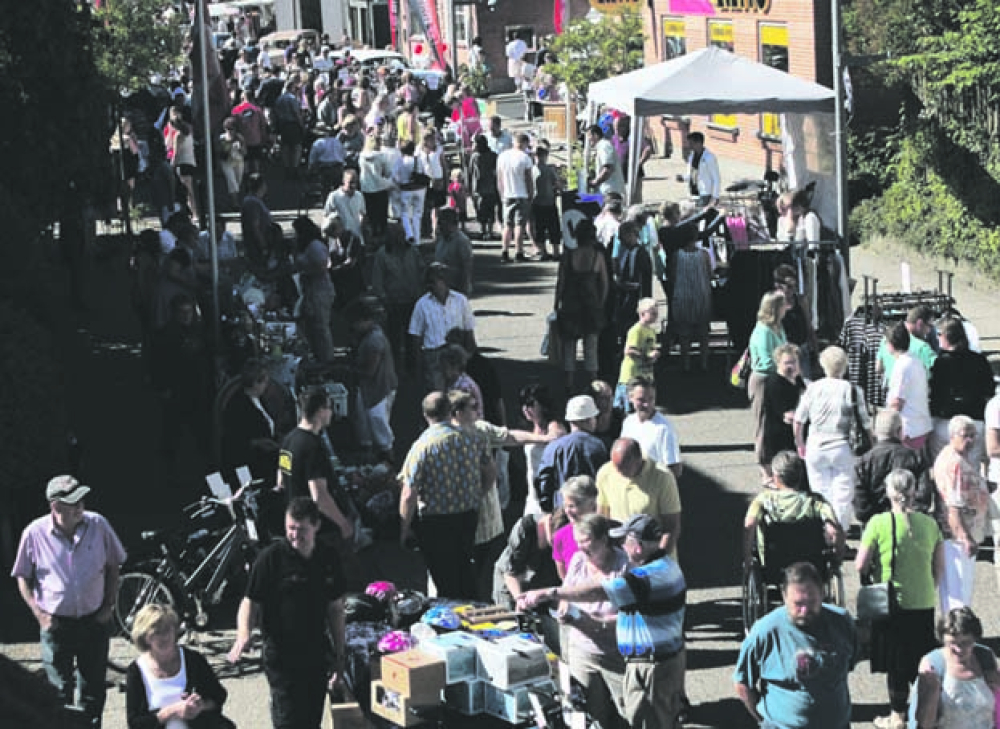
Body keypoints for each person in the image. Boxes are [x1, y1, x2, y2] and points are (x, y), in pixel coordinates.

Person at [519, 514, 688, 729]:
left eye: (625, 541)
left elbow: (600, 592)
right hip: (662, 661)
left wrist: (550, 593)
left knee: (646, 722)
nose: (622, 546)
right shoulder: (668, 567)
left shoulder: (645, 578)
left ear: (638, 547)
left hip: (650, 666)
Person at [11, 476, 126, 729]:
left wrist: (108, 607)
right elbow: (22, 576)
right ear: (55, 507)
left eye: (81, 500)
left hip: (93, 621)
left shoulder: (98, 525)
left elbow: (114, 565)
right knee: (57, 693)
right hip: (56, 625)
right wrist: (40, 615)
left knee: (92, 692)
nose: (80, 507)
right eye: (72, 503)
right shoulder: (34, 533)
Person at [229, 498, 347, 729]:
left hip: (315, 652)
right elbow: (250, 601)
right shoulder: (270, 558)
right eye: (290, 528)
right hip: (282, 657)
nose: (295, 535)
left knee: (311, 718)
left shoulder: (328, 557)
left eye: (301, 529)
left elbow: (335, 610)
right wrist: (243, 634)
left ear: (316, 526)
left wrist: (340, 653)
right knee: (288, 719)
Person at [855, 469, 943, 729]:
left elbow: (860, 563)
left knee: (896, 662)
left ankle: (897, 717)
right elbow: (939, 568)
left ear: (888, 492)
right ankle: (924, 714)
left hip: (891, 602)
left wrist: (870, 576)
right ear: (914, 491)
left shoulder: (878, 523)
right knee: (921, 659)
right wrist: (929, 587)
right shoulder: (930, 524)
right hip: (923, 601)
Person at [734, 561, 859, 729]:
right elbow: (742, 684)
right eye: (798, 604)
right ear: (784, 596)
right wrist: (763, 719)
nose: (805, 610)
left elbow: (850, 663)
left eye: (811, 601)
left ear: (822, 593)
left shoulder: (841, 622)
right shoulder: (765, 631)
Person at [398, 392, 493, 599]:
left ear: (425, 415)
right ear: (450, 412)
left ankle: (452, 619)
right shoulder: (472, 438)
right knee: (466, 570)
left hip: (436, 522)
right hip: (467, 515)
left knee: (444, 578)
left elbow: (408, 493)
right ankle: (473, 613)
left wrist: (404, 528)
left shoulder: (422, 446)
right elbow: (490, 473)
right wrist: (477, 496)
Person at [559, 514, 630, 729]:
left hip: (615, 653)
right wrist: (564, 608)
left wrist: (598, 623)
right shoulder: (578, 560)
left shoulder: (624, 566)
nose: (581, 548)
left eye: (586, 542)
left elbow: (632, 615)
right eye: (578, 542)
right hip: (582, 650)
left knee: (627, 713)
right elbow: (567, 593)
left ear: (603, 539)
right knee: (590, 715)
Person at [792, 345, 870, 532]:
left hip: (816, 445)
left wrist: (799, 442)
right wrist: (871, 443)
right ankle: (839, 533)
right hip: (842, 445)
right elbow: (865, 423)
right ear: (845, 365)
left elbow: (798, 420)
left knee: (820, 491)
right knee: (843, 494)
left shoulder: (813, 388)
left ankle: (824, 531)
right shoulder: (852, 390)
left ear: (822, 364)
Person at [126, 605, 230, 729]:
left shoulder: (193, 660)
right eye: (157, 632)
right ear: (145, 637)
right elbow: (135, 723)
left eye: (167, 630)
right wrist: (171, 711)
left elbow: (218, 696)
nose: (164, 637)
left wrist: (200, 705)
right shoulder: (136, 671)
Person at [277, 386, 355, 543]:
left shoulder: (288, 441)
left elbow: (281, 482)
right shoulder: (313, 447)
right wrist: (343, 523)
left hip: (296, 522)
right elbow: (319, 496)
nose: (331, 413)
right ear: (320, 411)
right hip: (320, 529)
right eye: (329, 408)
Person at [743, 451, 844, 571]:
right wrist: (837, 558)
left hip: (774, 566)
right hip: (812, 566)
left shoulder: (764, 500)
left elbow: (749, 526)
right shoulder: (815, 501)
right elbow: (835, 530)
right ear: (801, 475)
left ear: (776, 477)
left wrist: (747, 558)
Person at [933, 415, 991, 611]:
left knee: (957, 592)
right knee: (958, 594)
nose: (970, 441)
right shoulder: (954, 463)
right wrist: (965, 538)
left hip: (961, 534)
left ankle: (957, 630)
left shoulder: (955, 456)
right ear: (952, 435)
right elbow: (953, 506)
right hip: (957, 538)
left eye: (973, 436)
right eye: (965, 435)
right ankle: (958, 633)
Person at [910, 607, 1000, 729]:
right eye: (952, 643)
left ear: (975, 638)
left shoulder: (986, 658)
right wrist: (932, 693)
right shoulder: (933, 664)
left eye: (965, 642)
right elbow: (924, 724)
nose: (958, 649)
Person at [596, 437, 681, 556]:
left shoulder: (662, 477)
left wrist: (658, 560)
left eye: (624, 467)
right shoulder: (606, 473)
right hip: (622, 558)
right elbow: (602, 516)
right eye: (615, 466)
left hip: (653, 556)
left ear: (638, 460)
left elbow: (671, 526)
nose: (618, 472)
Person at [928, 317, 995, 465]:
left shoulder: (941, 363)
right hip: (974, 419)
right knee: (972, 469)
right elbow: (989, 390)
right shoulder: (979, 360)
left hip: (946, 421)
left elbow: (934, 391)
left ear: (945, 337)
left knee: (944, 468)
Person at [555, 219, 609, 391]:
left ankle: (569, 383)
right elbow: (604, 282)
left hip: (571, 304)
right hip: (591, 304)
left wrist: (557, 303)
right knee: (591, 346)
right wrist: (601, 302)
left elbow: (561, 282)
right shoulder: (597, 256)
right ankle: (593, 382)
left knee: (569, 345)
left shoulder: (568, 256)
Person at [535, 395, 610, 513]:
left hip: (562, 509)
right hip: (591, 512)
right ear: (589, 420)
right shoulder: (599, 446)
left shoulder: (553, 447)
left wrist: (549, 509)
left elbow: (543, 481)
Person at [407, 264, 476, 391]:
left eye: (433, 282)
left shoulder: (461, 300)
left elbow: (469, 330)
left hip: (457, 354)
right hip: (434, 356)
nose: (429, 286)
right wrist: (417, 367)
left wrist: (472, 356)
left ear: (444, 281)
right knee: (438, 397)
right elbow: (415, 337)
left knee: (460, 393)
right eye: (427, 283)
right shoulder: (422, 305)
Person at [854, 410, 927, 526]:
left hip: (875, 527)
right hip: (909, 525)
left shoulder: (863, 462)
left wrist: (874, 520)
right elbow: (924, 496)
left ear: (875, 432)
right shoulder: (915, 457)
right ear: (899, 431)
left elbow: (860, 507)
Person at [347, 299, 397, 463]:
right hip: (374, 387)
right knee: (367, 425)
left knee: (379, 427)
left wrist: (348, 370)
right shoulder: (369, 335)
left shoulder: (373, 341)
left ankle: (389, 462)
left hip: (379, 389)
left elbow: (369, 371)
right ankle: (372, 457)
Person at [371, 223, 425, 370]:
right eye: (396, 235)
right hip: (393, 303)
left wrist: (422, 293)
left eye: (402, 234)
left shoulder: (413, 251)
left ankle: (412, 368)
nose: (401, 238)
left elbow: (422, 271)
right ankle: (394, 368)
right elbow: (377, 280)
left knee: (412, 337)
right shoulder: (382, 255)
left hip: (413, 302)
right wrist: (383, 298)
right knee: (394, 338)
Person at [221, 358, 280, 483]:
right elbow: (236, 441)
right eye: (264, 382)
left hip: (269, 455)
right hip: (252, 465)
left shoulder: (259, 398)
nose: (267, 385)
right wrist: (260, 443)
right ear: (255, 383)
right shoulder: (237, 407)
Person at [748, 291, 789, 463]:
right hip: (763, 381)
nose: (787, 307)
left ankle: (773, 463)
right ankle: (763, 467)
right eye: (783, 304)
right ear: (775, 308)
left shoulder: (778, 327)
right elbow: (766, 362)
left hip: (777, 380)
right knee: (763, 424)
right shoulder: (763, 331)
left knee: (775, 425)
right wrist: (785, 368)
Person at [759, 343, 806, 481]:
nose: (791, 366)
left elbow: (805, 395)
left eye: (794, 362)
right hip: (779, 436)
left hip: (794, 433)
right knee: (785, 474)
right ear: (778, 363)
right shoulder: (774, 383)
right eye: (787, 363)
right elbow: (787, 415)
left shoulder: (797, 378)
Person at [668, 225, 712, 371]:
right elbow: (709, 273)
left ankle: (686, 363)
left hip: (682, 296)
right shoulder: (704, 254)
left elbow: (673, 277)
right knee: (703, 332)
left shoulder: (676, 255)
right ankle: (704, 362)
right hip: (701, 295)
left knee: (684, 333)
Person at [885, 321, 933, 453]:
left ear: (891, 344)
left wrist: (887, 426)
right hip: (921, 425)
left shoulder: (901, 366)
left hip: (908, 429)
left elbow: (897, 401)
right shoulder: (915, 361)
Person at [292, 216, 336, 363]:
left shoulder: (315, 246)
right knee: (312, 326)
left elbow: (323, 265)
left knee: (321, 326)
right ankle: (318, 355)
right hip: (310, 291)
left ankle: (327, 359)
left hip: (320, 291)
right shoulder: (306, 246)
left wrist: (306, 272)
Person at [621, 377, 682, 479]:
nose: (647, 404)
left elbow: (674, 468)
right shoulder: (628, 422)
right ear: (630, 398)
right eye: (641, 400)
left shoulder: (663, 429)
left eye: (651, 399)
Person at [520, 384, 568, 515]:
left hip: (549, 491)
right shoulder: (531, 428)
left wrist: (542, 439)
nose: (526, 409)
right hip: (532, 494)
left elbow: (556, 436)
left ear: (542, 405)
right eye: (523, 404)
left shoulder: (554, 425)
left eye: (530, 404)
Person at [613, 221, 653, 350]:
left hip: (635, 301)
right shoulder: (626, 252)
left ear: (631, 235)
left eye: (622, 235)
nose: (620, 239)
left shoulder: (640, 253)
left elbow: (643, 282)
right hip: (624, 301)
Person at [773, 263, 817, 380]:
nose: (790, 290)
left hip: (802, 350)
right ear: (777, 285)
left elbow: (808, 325)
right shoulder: (774, 304)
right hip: (783, 352)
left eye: (793, 286)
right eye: (787, 286)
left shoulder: (801, 301)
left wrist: (815, 349)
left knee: (805, 384)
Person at [615, 299, 660, 411]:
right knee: (629, 409)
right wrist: (646, 357)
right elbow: (629, 350)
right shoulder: (636, 330)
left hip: (645, 375)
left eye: (656, 313)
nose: (655, 316)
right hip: (631, 376)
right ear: (642, 314)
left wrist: (654, 355)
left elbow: (651, 348)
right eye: (652, 313)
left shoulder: (651, 331)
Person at [552, 476, 600, 579]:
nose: (568, 511)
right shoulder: (560, 537)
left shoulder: (612, 530)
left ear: (592, 504)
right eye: (566, 506)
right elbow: (565, 580)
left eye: (572, 506)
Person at [496, 132, 534, 262]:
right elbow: (528, 179)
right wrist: (531, 194)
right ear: (524, 143)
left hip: (507, 194)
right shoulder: (525, 158)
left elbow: (499, 178)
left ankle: (504, 251)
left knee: (507, 225)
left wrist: (501, 193)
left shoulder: (502, 156)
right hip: (521, 194)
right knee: (519, 225)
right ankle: (519, 252)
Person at [392, 140, 427, 244]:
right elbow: (424, 172)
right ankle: (417, 239)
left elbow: (394, 176)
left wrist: (399, 183)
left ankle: (409, 234)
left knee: (405, 213)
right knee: (418, 214)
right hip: (420, 189)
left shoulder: (400, 161)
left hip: (406, 189)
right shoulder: (418, 160)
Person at [531, 144, 561, 261]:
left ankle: (543, 251)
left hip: (536, 202)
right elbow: (557, 184)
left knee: (540, 229)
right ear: (545, 156)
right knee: (554, 228)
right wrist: (558, 189)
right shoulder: (550, 170)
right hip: (549, 202)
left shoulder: (532, 170)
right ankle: (556, 252)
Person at [434, 207, 473, 295]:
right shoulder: (441, 239)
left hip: (456, 287)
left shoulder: (461, 241)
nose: (439, 226)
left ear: (451, 223)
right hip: (441, 286)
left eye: (441, 223)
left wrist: (464, 287)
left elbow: (466, 266)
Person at [678, 131, 720, 208]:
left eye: (691, 143)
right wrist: (683, 178)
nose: (689, 146)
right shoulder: (691, 156)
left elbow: (716, 178)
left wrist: (715, 197)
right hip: (693, 193)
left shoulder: (709, 158)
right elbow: (691, 174)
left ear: (699, 143)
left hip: (705, 194)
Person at [469, 134, 499, 240]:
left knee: (484, 210)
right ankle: (486, 231)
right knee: (486, 210)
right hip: (486, 187)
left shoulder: (479, 157)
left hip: (483, 188)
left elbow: (471, 172)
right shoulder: (490, 156)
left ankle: (486, 231)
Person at [324, 168, 366, 242]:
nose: (353, 185)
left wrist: (362, 223)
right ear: (343, 181)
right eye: (350, 182)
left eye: (355, 182)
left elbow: (362, 213)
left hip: (356, 237)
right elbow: (326, 215)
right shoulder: (334, 196)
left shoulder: (359, 196)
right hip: (339, 239)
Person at [586, 124, 626, 198]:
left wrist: (595, 182)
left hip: (611, 191)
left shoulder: (604, 146)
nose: (588, 139)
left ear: (595, 135)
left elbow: (608, 168)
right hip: (606, 191)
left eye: (589, 136)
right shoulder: (601, 147)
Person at [218, 116, 246, 209]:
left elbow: (245, 152)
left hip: (238, 161)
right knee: (232, 182)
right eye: (228, 129)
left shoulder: (240, 138)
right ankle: (235, 203)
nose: (230, 131)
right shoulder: (222, 138)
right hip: (227, 162)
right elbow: (219, 151)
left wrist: (240, 148)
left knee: (238, 182)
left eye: (232, 129)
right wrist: (229, 146)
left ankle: (232, 199)